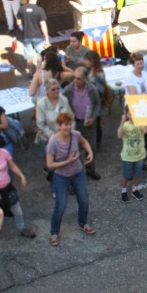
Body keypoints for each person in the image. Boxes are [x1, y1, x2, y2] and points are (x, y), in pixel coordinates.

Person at [45, 112, 96, 247]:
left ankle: (83, 222)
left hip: (78, 173)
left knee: (84, 200)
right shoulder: (53, 142)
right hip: (61, 177)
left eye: (69, 124)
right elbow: (50, 165)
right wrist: (68, 161)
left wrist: (90, 152)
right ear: (59, 126)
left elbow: (84, 142)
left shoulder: (75, 135)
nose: (67, 128)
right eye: (64, 125)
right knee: (60, 206)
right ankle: (54, 232)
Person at [62, 67, 102, 180]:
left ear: (85, 79)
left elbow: (98, 104)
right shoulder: (68, 90)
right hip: (75, 124)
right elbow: (62, 105)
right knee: (76, 150)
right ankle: (79, 173)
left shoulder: (92, 89)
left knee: (92, 148)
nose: (75, 80)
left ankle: (91, 170)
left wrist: (93, 118)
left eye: (79, 79)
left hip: (89, 125)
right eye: (74, 77)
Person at [117, 106, 147, 201]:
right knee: (126, 175)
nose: (133, 116)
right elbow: (119, 135)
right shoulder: (125, 125)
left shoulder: (141, 124)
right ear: (126, 115)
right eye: (130, 114)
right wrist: (122, 121)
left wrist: (146, 119)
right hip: (128, 157)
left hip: (139, 155)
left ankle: (134, 190)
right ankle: (123, 191)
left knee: (138, 174)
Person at [16, 0, 50, 68]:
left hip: (26, 36)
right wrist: (46, 38)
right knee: (41, 55)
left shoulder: (21, 9)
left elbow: (18, 23)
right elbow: (43, 25)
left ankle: (31, 75)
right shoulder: (39, 10)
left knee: (29, 57)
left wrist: (24, 30)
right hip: (37, 36)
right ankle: (40, 72)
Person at [34, 79, 72, 146]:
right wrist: (55, 136)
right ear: (47, 90)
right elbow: (41, 125)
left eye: (58, 88)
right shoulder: (41, 104)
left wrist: (69, 131)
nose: (56, 91)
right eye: (53, 89)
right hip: (48, 140)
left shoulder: (64, 100)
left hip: (66, 136)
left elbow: (71, 118)